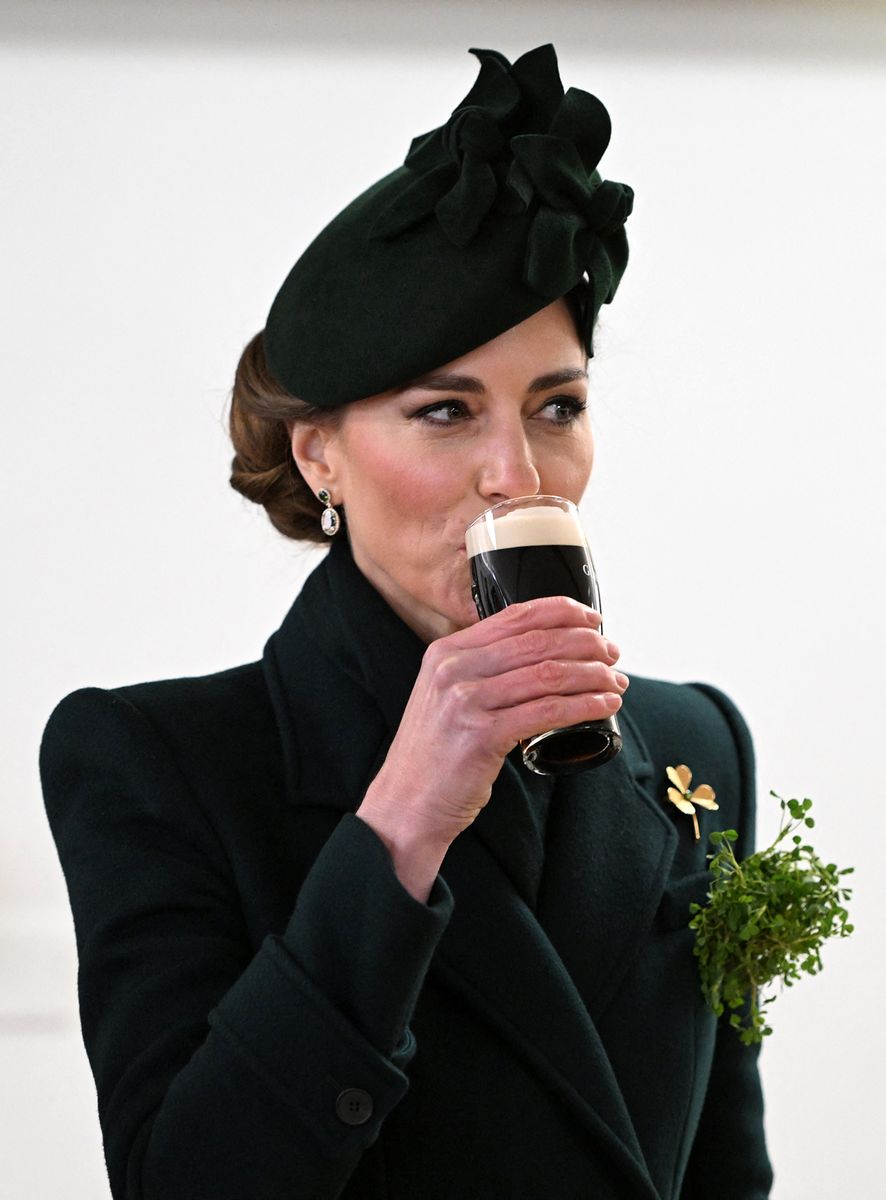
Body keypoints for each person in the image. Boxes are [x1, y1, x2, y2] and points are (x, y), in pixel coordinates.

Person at [39, 43, 774, 1200]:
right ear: (318, 450)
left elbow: (726, 1171)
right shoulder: (160, 765)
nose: (514, 471)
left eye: (558, 406)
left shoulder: (695, 744)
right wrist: (400, 827)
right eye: (443, 411)